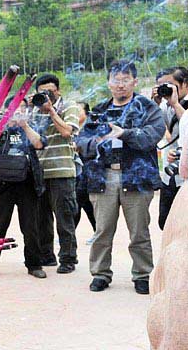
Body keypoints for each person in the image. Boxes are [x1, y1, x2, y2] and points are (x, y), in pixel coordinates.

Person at [77, 60, 165, 295]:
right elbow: (81, 141)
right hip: (103, 177)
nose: (121, 85)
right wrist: (97, 142)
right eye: (116, 80)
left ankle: (143, 274)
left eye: (126, 80)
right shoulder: (98, 110)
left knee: (139, 232)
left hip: (136, 178)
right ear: (108, 83)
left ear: (135, 82)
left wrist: (124, 133)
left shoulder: (147, 108)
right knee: (102, 231)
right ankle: (100, 273)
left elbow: (152, 136)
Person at [0, 97, 48, 279]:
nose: (19, 111)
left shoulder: (32, 126)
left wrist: (24, 126)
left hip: (27, 184)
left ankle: (34, 264)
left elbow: (39, 144)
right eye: (15, 108)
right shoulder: (0, 128)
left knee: (31, 227)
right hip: (3, 184)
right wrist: (0, 124)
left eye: (23, 108)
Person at [32, 74, 81, 273]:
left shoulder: (68, 106)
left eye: (49, 91)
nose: (46, 95)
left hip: (62, 171)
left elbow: (67, 132)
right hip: (40, 172)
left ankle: (68, 258)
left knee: (64, 218)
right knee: (41, 219)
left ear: (58, 91)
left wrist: (51, 110)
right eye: (42, 92)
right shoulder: (34, 112)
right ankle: (47, 256)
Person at [152, 67, 187, 230]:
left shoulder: (176, 105)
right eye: (161, 86)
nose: (165, 89)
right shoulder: (165, 106)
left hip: (185, 177)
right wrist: (154, 105)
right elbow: (155, 131)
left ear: (185, 84)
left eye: (169, 85)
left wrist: (175, 104)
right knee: (164, 222)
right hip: (169, 174)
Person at [75, 102, 97, 240]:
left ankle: (98, 231)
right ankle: (70, 232)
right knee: (79, 202)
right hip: (77, 171)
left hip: (90, 170)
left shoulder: (92, 127)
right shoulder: (72, 126)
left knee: (86, 203)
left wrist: (79, 145)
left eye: (78, 111)